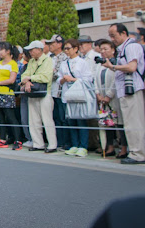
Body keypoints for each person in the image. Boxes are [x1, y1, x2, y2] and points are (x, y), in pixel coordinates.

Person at [104, 23, 145, 164]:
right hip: (126, 91)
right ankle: (136, 151)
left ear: (123, 33)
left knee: (134, 122)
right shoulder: (123, 49)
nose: (112, 39)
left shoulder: (131, 46)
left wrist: (113, 66)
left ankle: (138, 154)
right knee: (129, 123)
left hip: (132, 89)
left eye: (113, 36)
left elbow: (132, 67)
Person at [58, 39, 94, 158]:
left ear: (75, 48)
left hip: (79, 94)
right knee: (70, 120)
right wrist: (64, 79)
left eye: (69, 48)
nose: (67, 51)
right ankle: (74, 144)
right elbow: (59, 78)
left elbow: (88, 78)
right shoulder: (64, 63)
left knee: (81, 120)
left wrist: (73, 79)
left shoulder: (82, 62)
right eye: (65, 49)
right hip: (67, 94)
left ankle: (83, 146)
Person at [20, 40, 57, 152]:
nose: (30, 52)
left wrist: (30, 78)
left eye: (32, 49)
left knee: (47, 120)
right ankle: (37, 143)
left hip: (45, 93)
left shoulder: (48, 60)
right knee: (33, 120)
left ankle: (52, 145)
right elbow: (24, 75)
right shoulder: (31, 62)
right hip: (32, 93)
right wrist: (26, 81)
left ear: (39, 49)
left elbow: (46, 77)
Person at [94, 39, 127, 158]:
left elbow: (115, 80)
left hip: (114, 98)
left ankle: (123, 148)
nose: (103, 51)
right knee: (107, 123)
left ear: (113, 50)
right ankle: (110, 146)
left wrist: (108, 95)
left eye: (106, 49)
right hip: (102, 98)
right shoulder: (99, 64)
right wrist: (98, 94)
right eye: (101, 49)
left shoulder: (116, 63)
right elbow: (95, 80)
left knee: (119, 123)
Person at [0, 42, 22, 149]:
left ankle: (18, 140)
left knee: (11, 117)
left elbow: (12, 80)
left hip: (7, 93)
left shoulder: (13, 64)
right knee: (0, 118)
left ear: (8, 51)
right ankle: (2, 139)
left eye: (1, 49)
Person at [46, 34, 69, 151]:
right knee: (55, 117)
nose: (50, 46)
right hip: (51, 92)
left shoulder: (64, 57)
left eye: (52, 43)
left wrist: (50, 73)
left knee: (63, 117)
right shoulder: (50, 57)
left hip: (61, 92)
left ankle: (66, 142)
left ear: (59, 44)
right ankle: (59, 141)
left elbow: (56, 75)